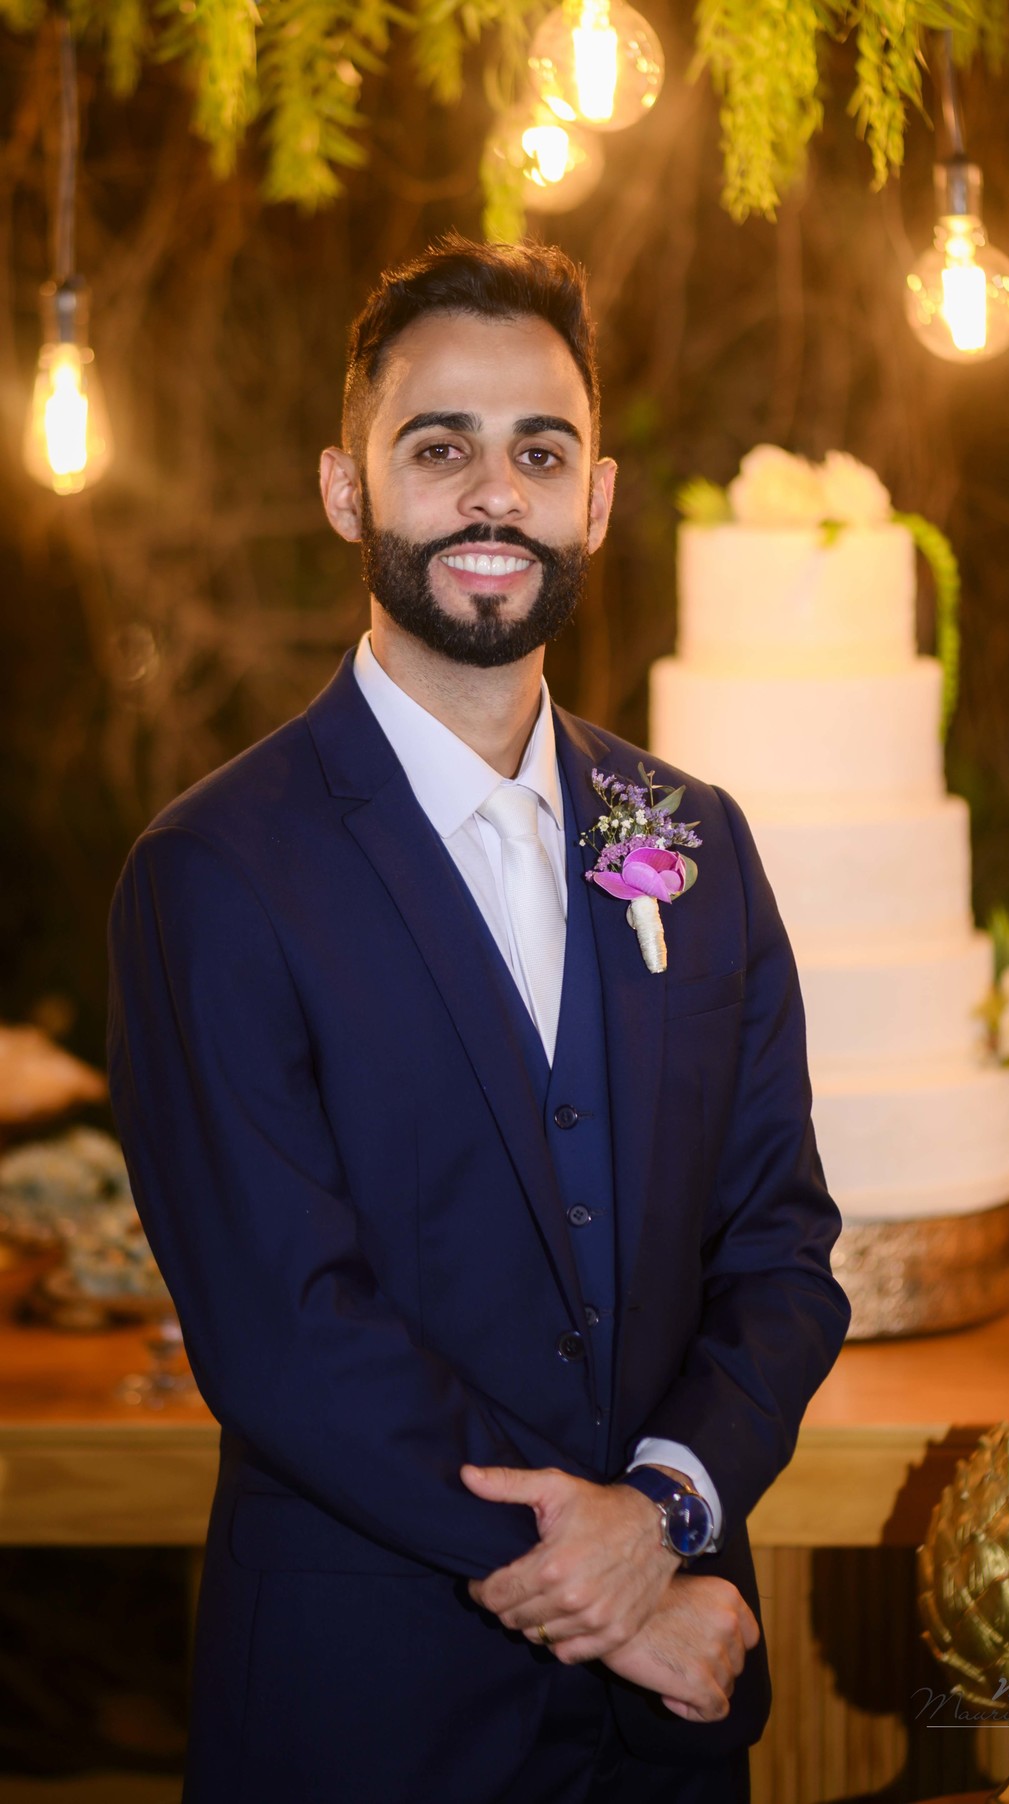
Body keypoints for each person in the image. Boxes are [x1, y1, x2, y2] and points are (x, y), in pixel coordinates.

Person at [107, 233, 850, 1804]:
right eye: (439, 449)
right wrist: (609, 1592)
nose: (495, 494)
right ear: (347, 489)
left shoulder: (694, 838)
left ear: (597, 498)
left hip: (669, 1720)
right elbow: (285, 1332)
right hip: (368, 1711)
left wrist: (665, 1515)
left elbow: (781, 1251)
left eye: (540, 452)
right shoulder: (214, 873)